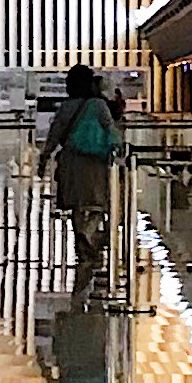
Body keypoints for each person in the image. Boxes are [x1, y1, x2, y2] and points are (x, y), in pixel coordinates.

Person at [38, 61, 121, 285]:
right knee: (95, 204)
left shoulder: (66, 107)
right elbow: (111, 130)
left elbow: (54, 134)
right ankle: (92, 244)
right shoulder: (98, 105)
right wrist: (119, 151)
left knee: (77, 205)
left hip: (71, 163)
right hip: (95, 163)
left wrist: (44, 157)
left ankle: (84, 247)